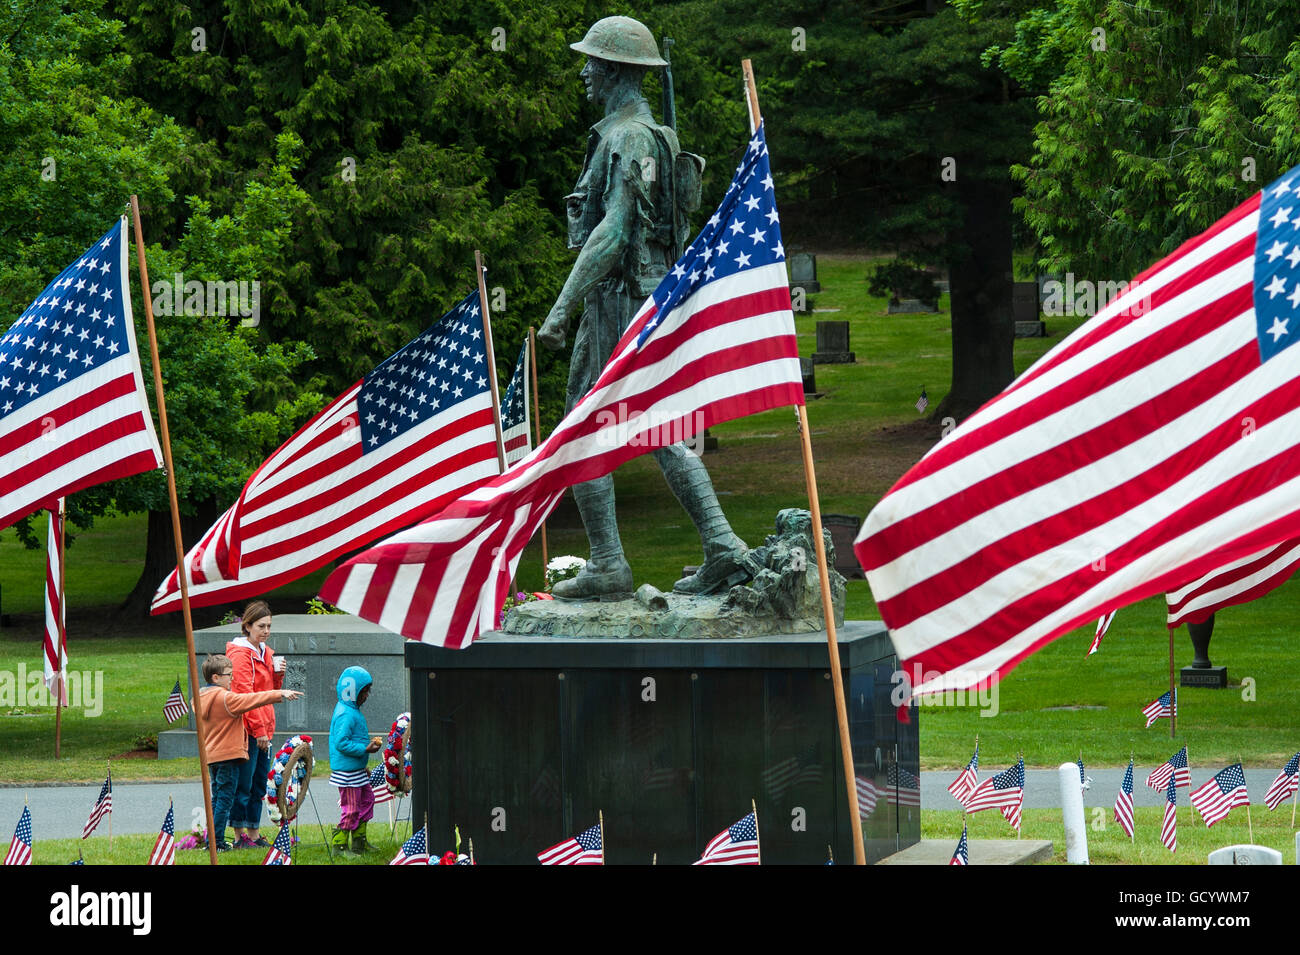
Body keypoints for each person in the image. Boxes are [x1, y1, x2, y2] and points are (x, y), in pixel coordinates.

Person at [535, 15, 750, 601]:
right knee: (658, 426)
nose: (583, 71)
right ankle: (722, 545)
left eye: (591, 62)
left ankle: (609, 564)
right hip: (646, 295)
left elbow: (612, 231)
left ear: (612, 70)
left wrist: (560, 311)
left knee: (583, 427)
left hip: (619, 297)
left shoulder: (627, 137)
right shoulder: (649, 134)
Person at [198, 653, 302, 851]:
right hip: (228, 756)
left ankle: (212, 839)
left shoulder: (202, 696)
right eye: (229, 675)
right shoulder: (225, 698)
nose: (232, 679)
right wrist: (279, 693)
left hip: (211, 756)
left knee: (216, 798)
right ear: (216, 678)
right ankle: (217, 843)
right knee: (225, 799)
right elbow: (252, 699)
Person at [226, 600, 284, 848]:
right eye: (261, 626)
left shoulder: (266, 652)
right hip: (248, 729)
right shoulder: (240, 655)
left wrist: (278, 674)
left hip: (265, 726)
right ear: (247, 626)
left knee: (260, 782)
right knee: (244, 783)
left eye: (269, 626)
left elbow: (271, 692)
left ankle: (254, 833)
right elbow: (245, 696)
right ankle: (239, 835)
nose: (266, 631)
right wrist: (259, 731)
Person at [329, 665, 381, 855]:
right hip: (347, 774)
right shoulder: (345, 713)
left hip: (356, 770)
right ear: (351, 691)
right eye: (364, 691)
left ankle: (359, 841)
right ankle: (339, 846)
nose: (366, 696)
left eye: (367, 691)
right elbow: (341, 743)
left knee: (367, 800)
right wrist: (365, 749)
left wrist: (362, 765)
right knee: (351, 808)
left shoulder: (351, 710)